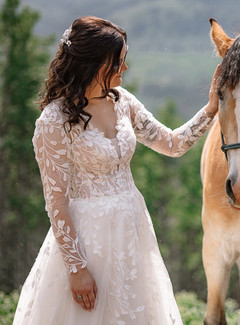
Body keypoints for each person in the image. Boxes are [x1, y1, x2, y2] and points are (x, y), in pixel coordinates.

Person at [13, 16, 219, 324]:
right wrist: (76, 268)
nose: (125, 68)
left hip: (132, 231)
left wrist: (212, 107)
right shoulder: (53, 122)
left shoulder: (124, 102)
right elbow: (56, 202)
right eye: (119, 61)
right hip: (89, 240)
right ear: (95, 63)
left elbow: (173, 144)